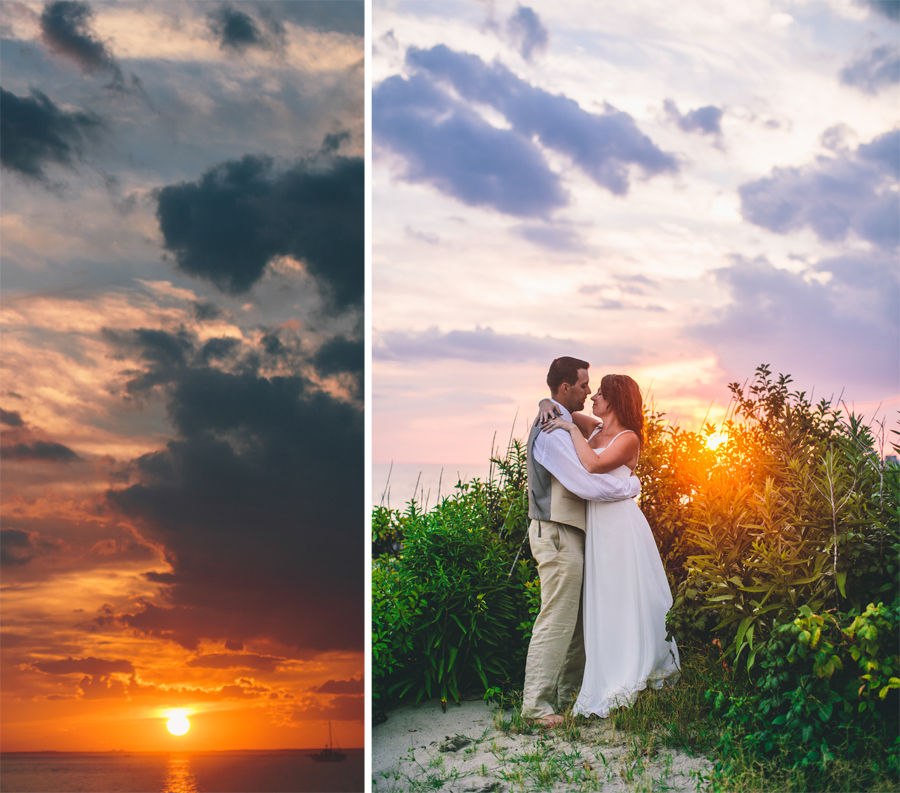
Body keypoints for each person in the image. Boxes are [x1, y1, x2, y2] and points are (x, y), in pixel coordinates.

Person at [540, 373, 680, 718]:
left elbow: (594, 464)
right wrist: (545, 402)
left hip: (621, 527)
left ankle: (635, 667)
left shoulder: (628, 438)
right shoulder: (595, 429)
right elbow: (561, 409)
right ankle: (609, 665)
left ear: (615, 400)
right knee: (604, 597)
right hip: (598, 528)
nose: (593, 397)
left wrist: (570, 430)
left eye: (600, 393)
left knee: (626, 595)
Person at [522, 357, 642, 727]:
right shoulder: (552, 430)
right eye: (584, 385)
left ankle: (566, 695)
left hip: (571, 532)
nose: (589, 392)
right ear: (565, 388)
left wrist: (547, 403)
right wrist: (631, 486)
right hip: (556, 531)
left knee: (574, 621)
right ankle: (535, 707)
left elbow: (590, 427)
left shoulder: (561, 418)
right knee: (557, 617)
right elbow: (586, 482)